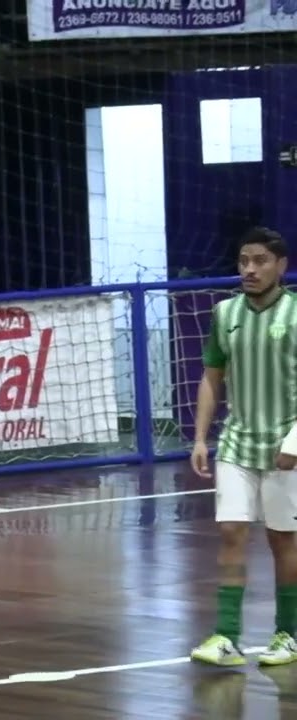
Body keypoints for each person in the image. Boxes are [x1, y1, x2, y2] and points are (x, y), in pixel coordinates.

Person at [190, 227, 297, 667]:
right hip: (237, 442)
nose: (249, 269)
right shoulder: (224, 313)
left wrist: (295, 442)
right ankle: (226, 635)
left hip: (286, 441)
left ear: (281, 266)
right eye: (243, 261)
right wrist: (199, 438)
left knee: (283, 540)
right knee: (232, 532)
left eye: (259, 261)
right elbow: (212, 377)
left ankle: (288, 634)